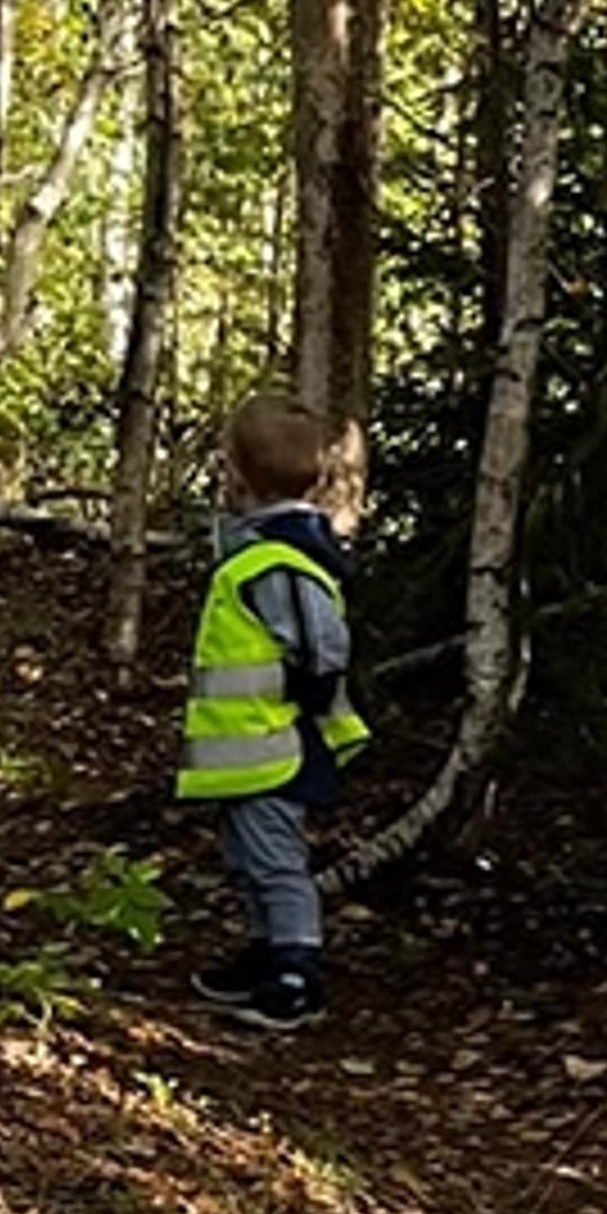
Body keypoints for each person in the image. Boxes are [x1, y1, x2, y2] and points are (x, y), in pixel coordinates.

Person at [176, 387, 368, 1037]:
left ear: (236, 476)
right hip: (242, 750)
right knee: (247, 858)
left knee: (276, 862)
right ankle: (264, 953)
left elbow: (320, 647)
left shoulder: (280, 560)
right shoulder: (256, 553)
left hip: (274, 745)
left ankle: (296, 971)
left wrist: (309, 701)